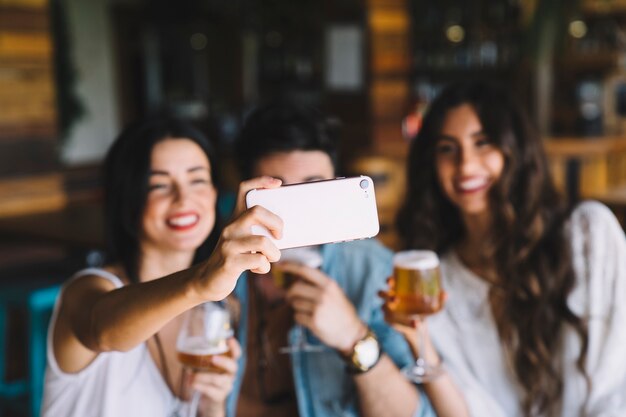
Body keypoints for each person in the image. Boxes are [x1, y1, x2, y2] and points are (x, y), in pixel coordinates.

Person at [384, 80, 626, 417]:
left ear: (516, 151)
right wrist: (419, 341)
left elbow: (615, 387)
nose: (466, 165)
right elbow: (469, 411)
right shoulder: (442, 280)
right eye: (447, 149)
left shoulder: (587, 235)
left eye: (483, 143)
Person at [41, 116, 286, 417]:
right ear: (129, 199)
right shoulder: (88, 290)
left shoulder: (214, 312)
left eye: (197, 180)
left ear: (213, 193)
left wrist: (213, 406)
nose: (184, 198)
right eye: (158, 185)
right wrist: (201, 282)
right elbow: (103, 331)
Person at [227, 101, 436, 417]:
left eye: (312, 188)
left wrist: (354, 337)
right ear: (247, 193)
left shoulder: (373, 270)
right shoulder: (218, 276)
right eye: (279, 192)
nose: (296, 212)